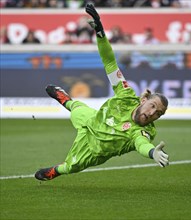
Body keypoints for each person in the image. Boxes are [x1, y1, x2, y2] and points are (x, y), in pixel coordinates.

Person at [35, 3, 169, 181]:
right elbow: (110, 62)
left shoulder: (144, 132)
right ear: (143, 100)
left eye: (157, 114)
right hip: (92, 119)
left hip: (93, 148)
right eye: (152, 106)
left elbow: (141, 144)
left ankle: (55, 171)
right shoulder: (126, 95)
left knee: (71, 166)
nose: (152, 113)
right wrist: (100, 32)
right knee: (76, 108)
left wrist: (152, 152)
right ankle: (65, 99)